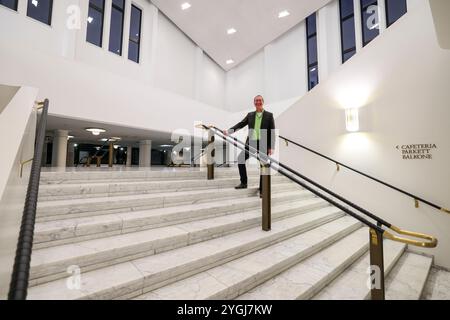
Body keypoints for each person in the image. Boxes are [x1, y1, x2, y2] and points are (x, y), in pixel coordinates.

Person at [223, 95, 275, 195]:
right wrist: (229, 131)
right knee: (241, 159)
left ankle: (262, 189)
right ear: (254, 103)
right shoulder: (250, 115)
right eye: (256, 101)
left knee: (263, 165)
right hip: (251, 143)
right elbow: (240, 124)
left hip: (264, 143)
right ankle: (244, 182)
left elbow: (272, 132)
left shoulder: (269, 115)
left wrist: (271, 147)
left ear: (263, 102)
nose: (258, 102)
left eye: (260, 100)